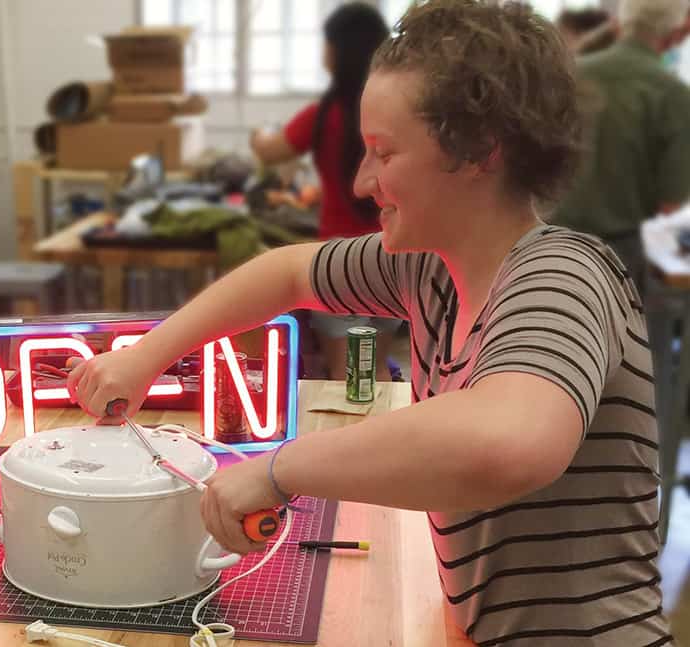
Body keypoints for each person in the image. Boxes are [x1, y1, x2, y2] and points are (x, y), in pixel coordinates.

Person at [69, 0, 672, 644]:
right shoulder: (428, 270)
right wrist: (143, 356)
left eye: (384, 154)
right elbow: (289, 273)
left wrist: (280, 469)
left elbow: (510, 439)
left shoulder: (562, 276)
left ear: (478, 153)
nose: (362, 182)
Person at [249, 3, 401, 381]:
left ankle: (350, 439)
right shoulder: (396, 114)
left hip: (338, 264)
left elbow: (271, 150)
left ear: (333, 51)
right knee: (376, 369)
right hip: (395, 255)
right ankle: (381, 440)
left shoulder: (323, 114)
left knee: (343, 374)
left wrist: (258, 135)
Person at [553, 0, 690, 290]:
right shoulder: (673, 95)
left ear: (620, 22)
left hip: (547, 241)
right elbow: (671, 202)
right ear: (679, 30)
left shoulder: (566, 75)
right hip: (615, 255)